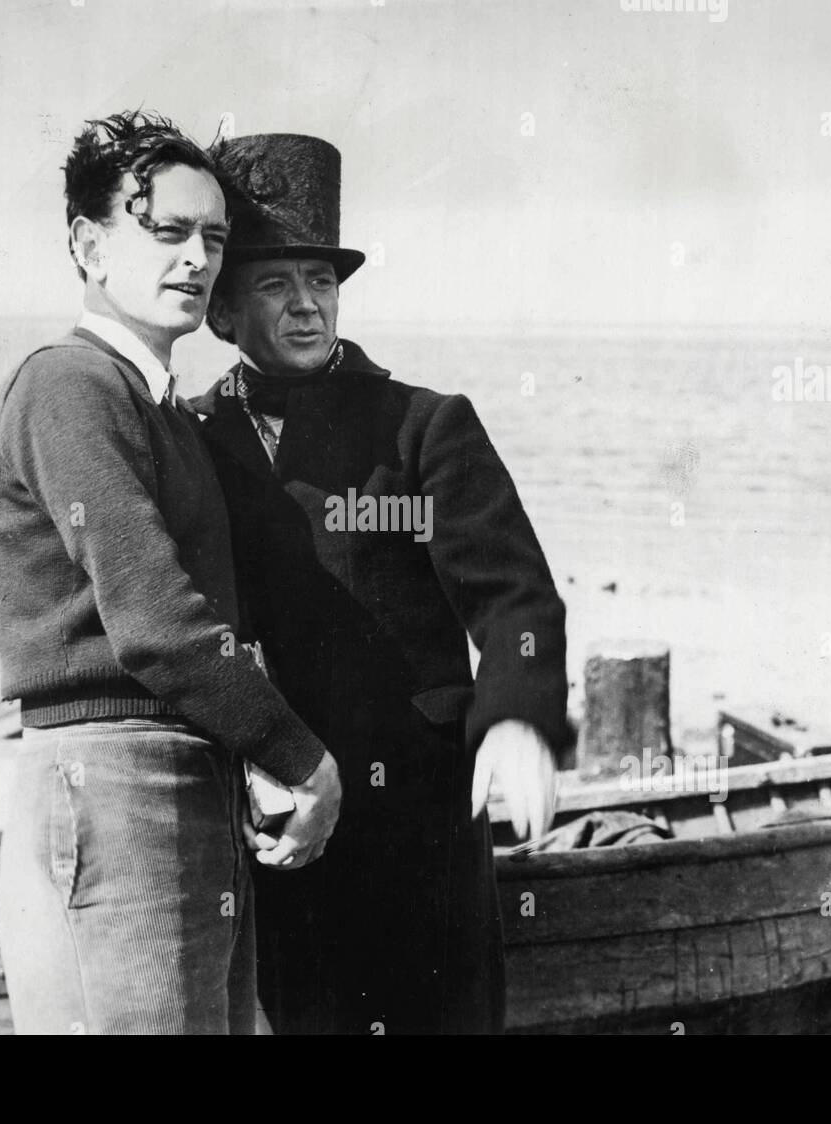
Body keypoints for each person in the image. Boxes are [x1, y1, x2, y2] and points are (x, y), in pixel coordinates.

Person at [191, 132, 573, 1034]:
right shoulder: (195, 438)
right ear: (220, 313)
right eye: (274, 285)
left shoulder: (422, 426)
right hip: (276, 813)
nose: (306, 306)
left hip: (421, 819)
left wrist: (517, 714)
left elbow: (513, 596)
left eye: (321, 281)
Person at [0, 112, 341, 1035]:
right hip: (117, 779)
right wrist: (302, 759)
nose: (198, 258)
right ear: (88, 244)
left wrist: (246, 750)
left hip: (180, 778)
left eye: (214, 237)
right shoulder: (69, 385)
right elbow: (154, 623)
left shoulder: (157, 404)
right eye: (168, 231)